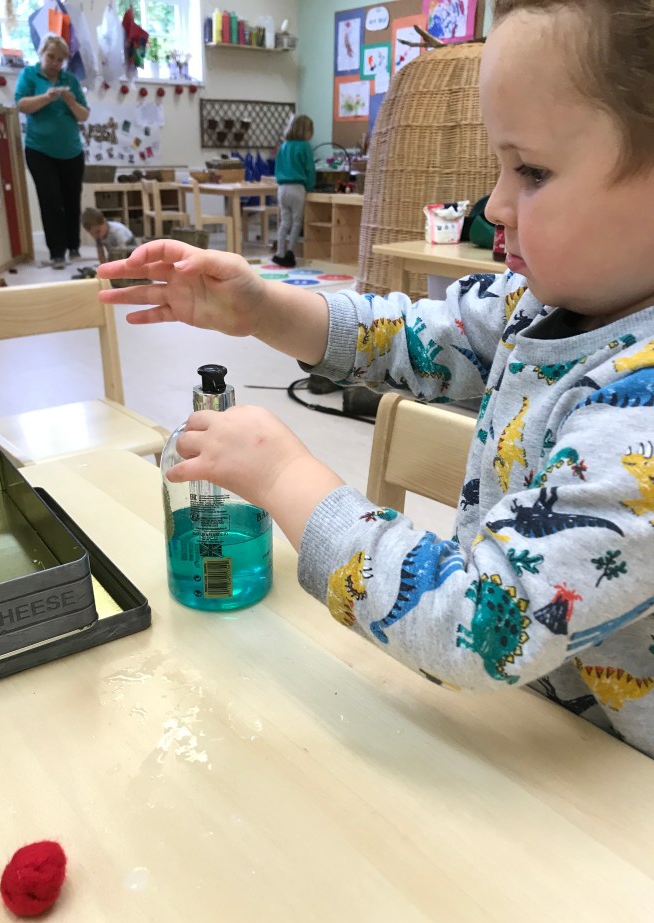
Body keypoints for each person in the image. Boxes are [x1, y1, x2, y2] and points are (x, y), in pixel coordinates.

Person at [97, 0, 654, 758]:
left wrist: (286, 477)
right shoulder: (541, 300)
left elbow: (481, 622)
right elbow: (417, 337)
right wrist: (263, 307)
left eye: (531, 170)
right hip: (524, 724)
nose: (493, 206)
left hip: (612, 788)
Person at [15, 33, 90, 269]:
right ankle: (57, 253)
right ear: (42, 54)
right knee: (50, 200)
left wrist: (71, 102)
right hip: (40, 151)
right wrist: (47, 97)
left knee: (72, 200)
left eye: (60, 59)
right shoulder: (29, 74)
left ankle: (74, 248)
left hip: (72, 152)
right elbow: (21, 104)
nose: (55, 63)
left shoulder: (70, 80)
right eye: (51, 57)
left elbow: (84, 115)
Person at [272, 114, 315, 268]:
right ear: (306, 131)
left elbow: (277, 167)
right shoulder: (305, 146)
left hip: (282, 188)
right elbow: (310, 169)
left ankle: (279, 253)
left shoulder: (283, 146)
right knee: (297, 222)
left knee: (284, 221)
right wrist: (309, 187)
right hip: (297, 187)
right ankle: (291, 252)